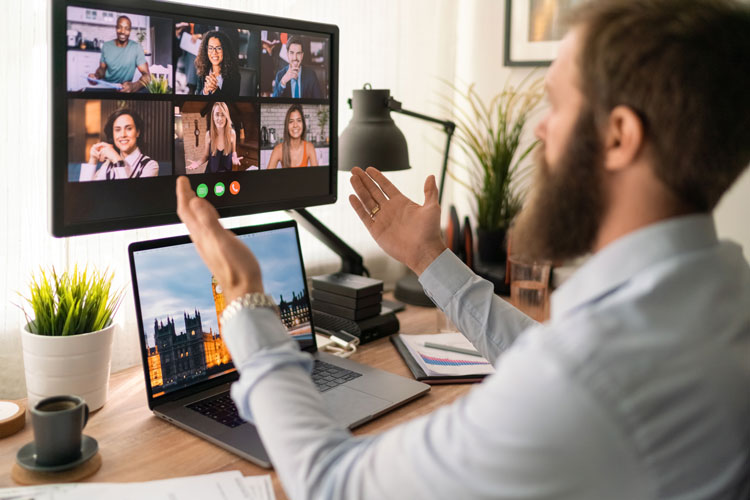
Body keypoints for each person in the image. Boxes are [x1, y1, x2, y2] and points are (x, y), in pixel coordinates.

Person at [175, 0, 750, 498]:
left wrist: (247, 303)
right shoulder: (719, 297)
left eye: (555, 104)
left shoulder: (591, 383)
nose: (541, 131)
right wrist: (431, 260)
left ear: (619, 136)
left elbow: (333, 484)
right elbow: (548, 354)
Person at [80, 109, 159, 181]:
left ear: (137, 132)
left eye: (129, 128)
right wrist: (93, 160)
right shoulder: (107, 165)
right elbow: (84, 192)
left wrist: (116, 159)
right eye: (117, 130)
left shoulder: (150, 165)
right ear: (113, 134)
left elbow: (132, 194)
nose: (122, 135)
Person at [88, 15, 150, 93]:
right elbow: (102, 69)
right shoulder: (106, 46)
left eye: (127, 28)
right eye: (119, 27)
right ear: (116, 28)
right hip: (106, 86)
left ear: (130, 31)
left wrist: (134, 86)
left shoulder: (136, 48)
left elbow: (147, 76)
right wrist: (96, 76)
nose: (122, 31)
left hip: (123, 89)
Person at [186, 102, 243, 173]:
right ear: (213, 117)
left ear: (226, 116)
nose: (220, 118)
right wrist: (197, 163)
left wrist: (234, 157)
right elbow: (206, 155)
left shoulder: (232, 133)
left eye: (223, 115)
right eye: (217, 115)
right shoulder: (208, 134)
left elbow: (234, 151)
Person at [266, 104, 318, 169]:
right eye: (291, 121)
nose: (295, 125)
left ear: (303, 124)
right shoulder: (278, 150)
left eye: (299, 120)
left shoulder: (309, 147)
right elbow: (267, 177)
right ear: (287, 126)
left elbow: (316, 175)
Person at [194, 30, 240, 98]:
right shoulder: (202, 72)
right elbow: (196, 100)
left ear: (225, 50)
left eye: (218, 48)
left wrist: (215, 90)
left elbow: (231, 104)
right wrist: (205, 91)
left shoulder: (234, 76)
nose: (214, 52)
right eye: (210, 48)